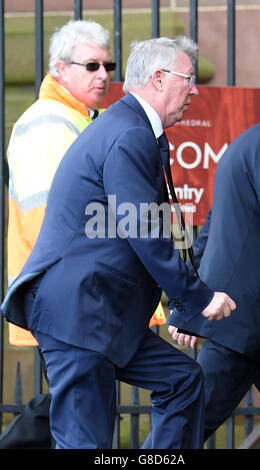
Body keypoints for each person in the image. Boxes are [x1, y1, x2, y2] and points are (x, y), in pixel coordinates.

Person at [1, 36, 236, 449]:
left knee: (182, 380)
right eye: (188, 79)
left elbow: (160, 227)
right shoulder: (129, 133)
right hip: (80, 313)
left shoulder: (134, 129)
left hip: (104, 313)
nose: (196, 90)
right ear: (159, 79)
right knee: (83, 443)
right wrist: (198, 297)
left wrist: (185, 301)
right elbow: (143, 228)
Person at [1, 19, 114, 449]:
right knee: (79, 417)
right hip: (68, 298)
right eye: (91, 65)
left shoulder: (82, 120)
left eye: (108, 64)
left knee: (79, 411)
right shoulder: (48, 123)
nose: (103, 74)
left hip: (80, 298)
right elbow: (49, 223)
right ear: (60, 70)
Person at [168, 81, 260, 441]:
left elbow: (212, 229)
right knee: (184, 431)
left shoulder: (249, 142)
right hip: (247, 323)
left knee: (186, 427)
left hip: (250, 321)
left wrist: (187, 305)